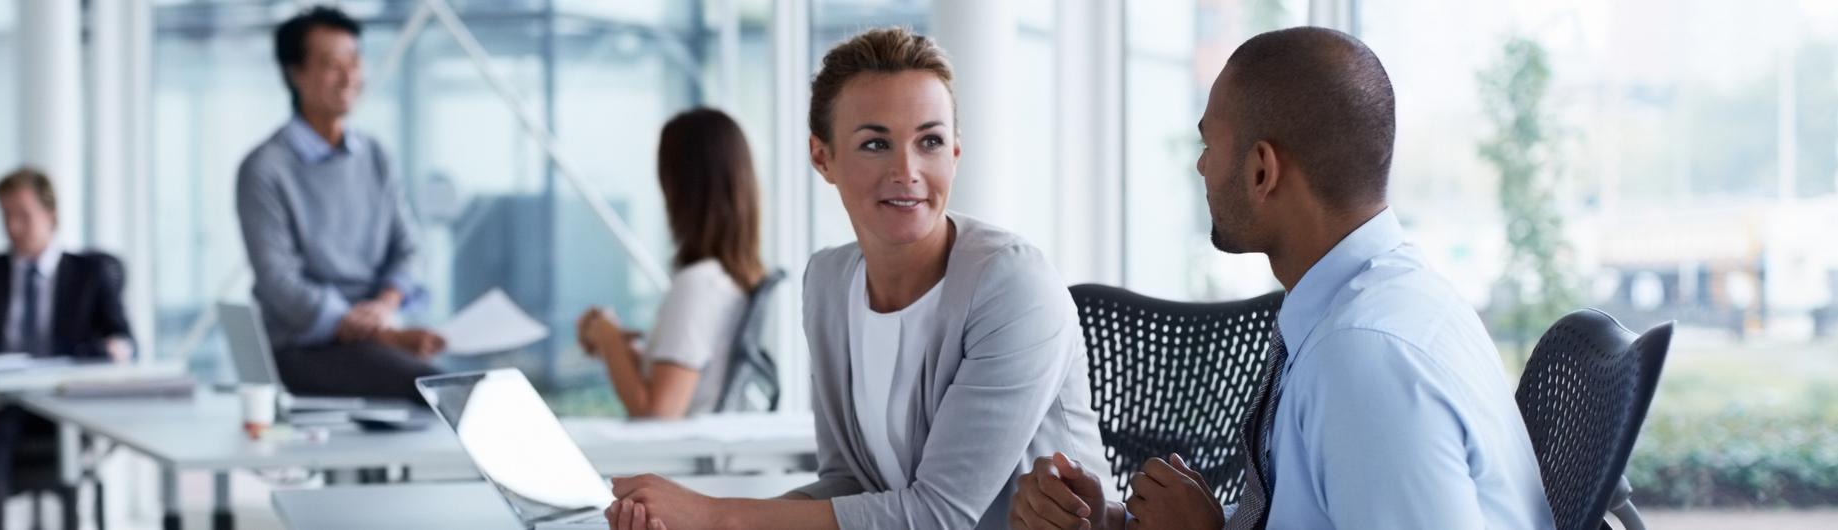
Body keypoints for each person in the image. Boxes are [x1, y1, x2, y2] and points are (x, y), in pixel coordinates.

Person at [1007, 27, 1552, 530]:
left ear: (1262, 170)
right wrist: (1116, 520)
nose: (1201, 168)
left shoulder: (1363, 359)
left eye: (1209, 146)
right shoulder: (1368, 306)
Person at [605, 27, 1115, 530]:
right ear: (822, 157)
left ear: (954, 153)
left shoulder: (1012, 284)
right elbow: (850, 482)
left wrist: (716, 515)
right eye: (876, 144)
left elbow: (940, 515)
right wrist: (692, 520)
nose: (907, 170)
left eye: (930, 141)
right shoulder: (827, 282)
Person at [237, 6, 443, 402]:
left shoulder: (375, 156)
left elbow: (409, 248)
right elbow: (279, 282)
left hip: (380, 335)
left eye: (354, 61)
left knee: (472, 381)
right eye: (331, 64)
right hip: (304, 347)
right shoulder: (265, 168)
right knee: (434, 390)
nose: (348, 77)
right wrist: (386, 334)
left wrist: (385, 306)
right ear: (295, 73)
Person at [0, 168, 133, 530]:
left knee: (48, 433)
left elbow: (125, 340)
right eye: (5, 215)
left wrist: (117, 349)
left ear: (51, 215)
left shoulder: (91, 273)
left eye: (23, 215)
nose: (12, 227)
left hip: (63, 404)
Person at [577, 108, 767, 419]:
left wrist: (608, 337)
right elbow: (675, 381)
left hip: (673, 460)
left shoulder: (698, 285)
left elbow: (657, 413)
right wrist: (610, 339)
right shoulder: (725, 280)